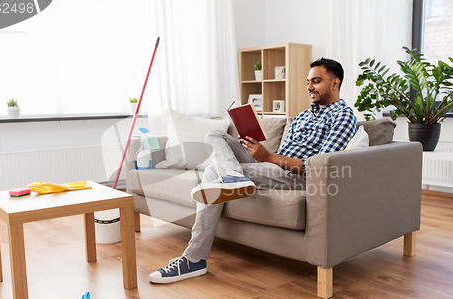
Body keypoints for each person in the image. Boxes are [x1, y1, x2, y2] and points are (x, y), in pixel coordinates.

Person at [149, 58, 357, 284]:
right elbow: (282, 150)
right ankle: (233, 178)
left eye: (316, 81)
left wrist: (267, 157)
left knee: (211, 173)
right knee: (215, 136)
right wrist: (254, 148)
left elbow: (316, 167)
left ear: (335, 84)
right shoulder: (303, 116)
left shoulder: (343, 116)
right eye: (308, 82)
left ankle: (194, 259)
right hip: (272, 165)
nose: (309, 87)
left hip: (296, 176)